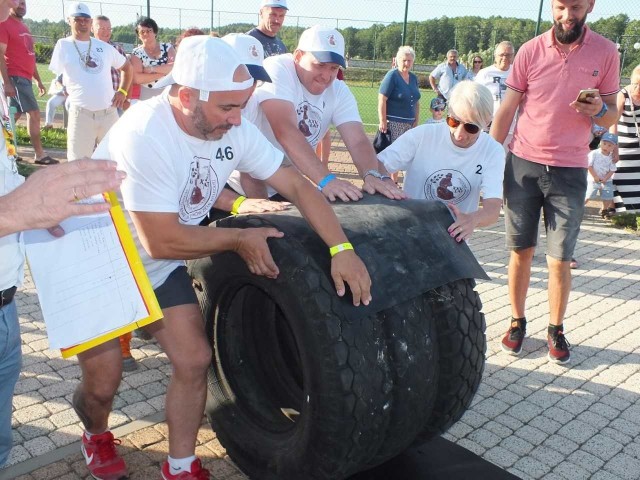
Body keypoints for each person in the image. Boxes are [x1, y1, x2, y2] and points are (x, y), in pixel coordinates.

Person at [74, 36, 372, 480]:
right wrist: (236, 242)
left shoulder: (234, 126)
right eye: (228, 109)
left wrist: (341, 248)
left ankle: (179, 466)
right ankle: (95, 433)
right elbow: (161, 240)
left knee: (194, 358)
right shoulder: (144, 132)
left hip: (155, 265)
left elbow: (293, 184)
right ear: (187, 95)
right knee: (102, 385)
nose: (238, 119)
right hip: (102, 263)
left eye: (242, 106)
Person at [491, 0, 620, 365]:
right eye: (561, 6)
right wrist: (483, 158)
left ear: (590, 5)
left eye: (576, 7)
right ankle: (517, 322)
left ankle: (555, 327)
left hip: (570, 170)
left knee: (560, 258)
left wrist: (597, 111)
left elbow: (612, 111)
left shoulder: (606, 52)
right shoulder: (531, 50)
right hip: (523, 166)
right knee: (520, 251)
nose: (567, 16)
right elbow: (507, 109)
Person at [234, 25, 405, 203]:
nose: (327, 75)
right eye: (320, 65)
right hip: (240, 187)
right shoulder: (277, 68)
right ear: (298, 56)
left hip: (284, 186)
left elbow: (358, 140)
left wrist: (372, 174)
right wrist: (327, 180)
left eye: (334, 68)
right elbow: (285, 129)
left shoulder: (338, 90)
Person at [377, 81, 504, 241]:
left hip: (452, 238)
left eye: (471, 127)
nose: (459, 134)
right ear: (448, 112)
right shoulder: (423, 135)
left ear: (487, 123)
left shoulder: (492, 150)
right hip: (409, 229)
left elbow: (492, 209)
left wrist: (473, 219)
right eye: (454, 121)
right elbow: (378, 164)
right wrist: (387, 183)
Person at [49, 2, 132, 160]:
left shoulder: (104, 47)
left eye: (86, 20)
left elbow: (127, 68)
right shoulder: (63, 45)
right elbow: (58, 76)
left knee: (114, 161)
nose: (82, 23)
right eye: (78, 19)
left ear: (90, 22)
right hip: (81, 115)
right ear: (69, 20)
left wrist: (122, 91)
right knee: (78, 164)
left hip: (109, 113)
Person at [0, 0, 57, 164]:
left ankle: (9, 152)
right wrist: (7, 82)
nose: (21, 5)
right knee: (34, 113)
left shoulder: (24, 27)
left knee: (13, 116)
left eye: (24, 2)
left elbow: (29, 57)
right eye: (18, 2)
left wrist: (38, 80)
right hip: (15, 77)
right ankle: (40, 155)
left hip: (24, 78)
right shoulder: (4, 24)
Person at [610, 64, 640, 214]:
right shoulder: (623, 94)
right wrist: (615, 147)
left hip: (638, 147)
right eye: (637, 85)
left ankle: (635, 213)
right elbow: (612, 123)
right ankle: (620, 211)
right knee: (620, 176)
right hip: (624, 144)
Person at [474, 41, 516, 149]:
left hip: (512, 126)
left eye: (508, 55)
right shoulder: (485, 73)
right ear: (495, 56)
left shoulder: (517, 72)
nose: (505, 58)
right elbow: (475, 98)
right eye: (502, 54)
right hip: (489, 125)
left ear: (513, 56)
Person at [378, 46, 421, 144]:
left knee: (406, 153)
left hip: (410, 124)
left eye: (409, 60)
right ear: (398, 60)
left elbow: (417, 101)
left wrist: (416, 119)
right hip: (394, 123)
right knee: (394, 152)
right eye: (404, 60)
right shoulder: (392, 75)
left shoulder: (413, 78)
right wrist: (383, 120)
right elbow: (382, 98)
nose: (407, 63)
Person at [130, 16, 175, 101]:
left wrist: (151, 69)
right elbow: (138, 78)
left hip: (169, 90)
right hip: (147, 92)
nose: (145, 34)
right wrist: (164, 73)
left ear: (155, 32)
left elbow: (174, 67)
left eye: (149, 30)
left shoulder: (167, 47)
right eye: (142, 32)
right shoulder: (136, 52)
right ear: (138, 36)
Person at [585, 132, 617, 217]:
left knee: (608, 197)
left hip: (606, 180)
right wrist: (595, 176)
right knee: (589, 195)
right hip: (593, 179)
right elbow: (589, 165)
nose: (606, 147)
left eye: (609, 145)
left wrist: (606, 178)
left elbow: (612, 170)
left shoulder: (611, 157)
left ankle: (604, 209)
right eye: (604, 143)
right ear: (600, 142)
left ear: (614, 147)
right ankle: (579, 207)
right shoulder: (594, 153)